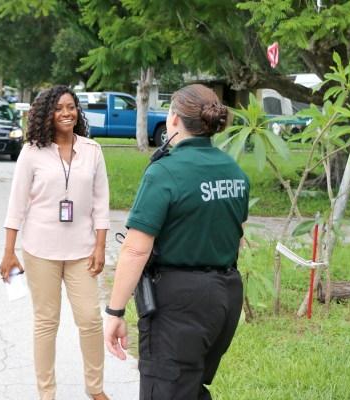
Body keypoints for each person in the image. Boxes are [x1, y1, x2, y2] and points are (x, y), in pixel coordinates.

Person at [104, 84, 249, 400]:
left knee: (167, 390)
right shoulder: (234, 170)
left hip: (179, 304)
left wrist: (115, 312)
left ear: (174, 119)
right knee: (193, 388)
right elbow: (237, 235)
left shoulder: (165, 172)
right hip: (225, 298)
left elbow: (136, 248)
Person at [0, 85, 111, 400]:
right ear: (47, 113)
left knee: (90, 320)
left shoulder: (92, 150)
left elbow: (101, 202)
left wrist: (100, 246)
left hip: (82, 251)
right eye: (59, 108)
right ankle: (46, 393)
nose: (66, 113)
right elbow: (16, 205)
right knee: (46, 322)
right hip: (40, 250)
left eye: (71, 107)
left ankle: (95, 389)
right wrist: (9, 252)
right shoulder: (32, 152)